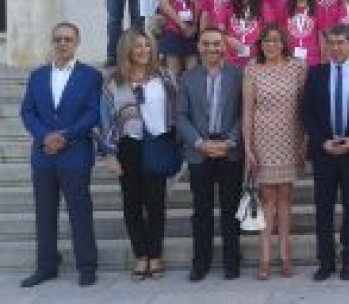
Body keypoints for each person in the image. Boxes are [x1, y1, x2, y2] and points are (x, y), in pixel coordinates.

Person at [19, 22, 103, 287]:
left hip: (75, 152)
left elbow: (92, 112)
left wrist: (65, 136)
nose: (63, 43)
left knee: (80, 210)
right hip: (43, 153)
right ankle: (46, 266)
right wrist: (45, 136)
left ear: (77, 42)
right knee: (44, 211)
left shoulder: (91, 76)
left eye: (68, 39)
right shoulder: (37, 76)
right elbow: (27, 112)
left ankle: (87, 266)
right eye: (58, 39)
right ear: (52, 42)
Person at [100, 28, 177, 280]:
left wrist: (175, 142)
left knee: (155, 203)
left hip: (157, 143)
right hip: (129, 147)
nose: (144, 50)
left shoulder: (164, 76)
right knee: (131, 203)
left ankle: (155, 255)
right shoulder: (114, 82)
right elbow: (105, 120)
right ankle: (140, 255)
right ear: (127, 50)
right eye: (138, 46)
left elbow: (176, 111)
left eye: (147, 45)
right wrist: (110, 154)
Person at [303, 24, 349, 281]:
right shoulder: (315, 74)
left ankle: (348, 259)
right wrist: (321, 141)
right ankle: (325, 261)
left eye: (340, 42)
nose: (335, 47)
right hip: (323, 153)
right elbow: (307, 113)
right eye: (331, 42)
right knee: (323, 209)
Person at [176, 27, 244, 281]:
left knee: (230, 209)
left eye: (216, 44)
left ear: (224, 47)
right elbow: (181, 116)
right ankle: (200, 263)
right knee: (201, 211)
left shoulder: (238, 76)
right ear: (199, 47)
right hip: (199, 151)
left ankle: (231, 262)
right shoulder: (187, 78)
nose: (211, 48)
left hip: (229, 150)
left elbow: (243, 113)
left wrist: (231, 141)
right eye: (206, 44)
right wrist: (198, 142)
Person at [243, 24, 307, 279]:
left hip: (291, 138)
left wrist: (307, 139)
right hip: (263, 140)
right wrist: (248, 147)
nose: (271, 45)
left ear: (284, 43)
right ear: (261, 44)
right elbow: (247, 111)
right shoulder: (252, 69)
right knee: (267, 197)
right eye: (266, 41)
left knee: (286, 196)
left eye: (276, 40)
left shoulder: (298, 68)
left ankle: (285, 254)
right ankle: (265, 257)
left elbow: (306, 106)